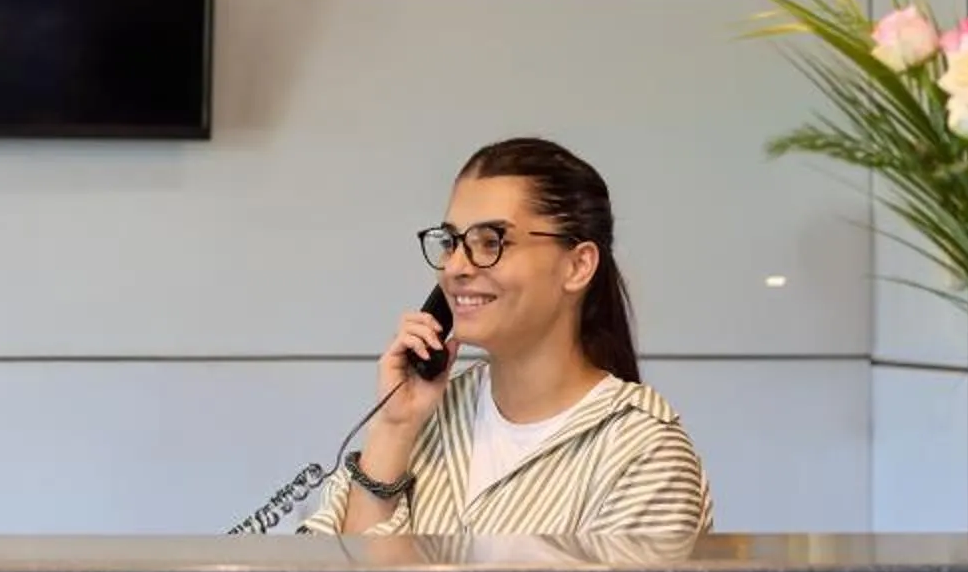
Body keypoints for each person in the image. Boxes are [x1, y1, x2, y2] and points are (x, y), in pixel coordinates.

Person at [298, 137, 710, 540]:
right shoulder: (424, 415)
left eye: (491, 242)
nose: (456, 267)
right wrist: (394, 427)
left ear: (578, 266)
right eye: (450, 242)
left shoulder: (643, 452)